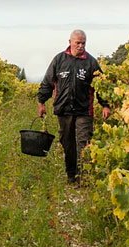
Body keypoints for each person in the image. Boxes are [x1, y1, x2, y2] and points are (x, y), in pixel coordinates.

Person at [38, 29, 109, 184]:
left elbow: (101, 85)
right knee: (67, 142)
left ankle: (84, 178)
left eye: (83, 43)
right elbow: (48, 81)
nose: (81, 46)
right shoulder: (59, 60)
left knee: (85, 143)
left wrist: (105, 105)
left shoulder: (91, 62)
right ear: (70, 42)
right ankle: (71, 175)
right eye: (77, 42)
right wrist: (41, 102)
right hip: (63, 109)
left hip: (84, 110)